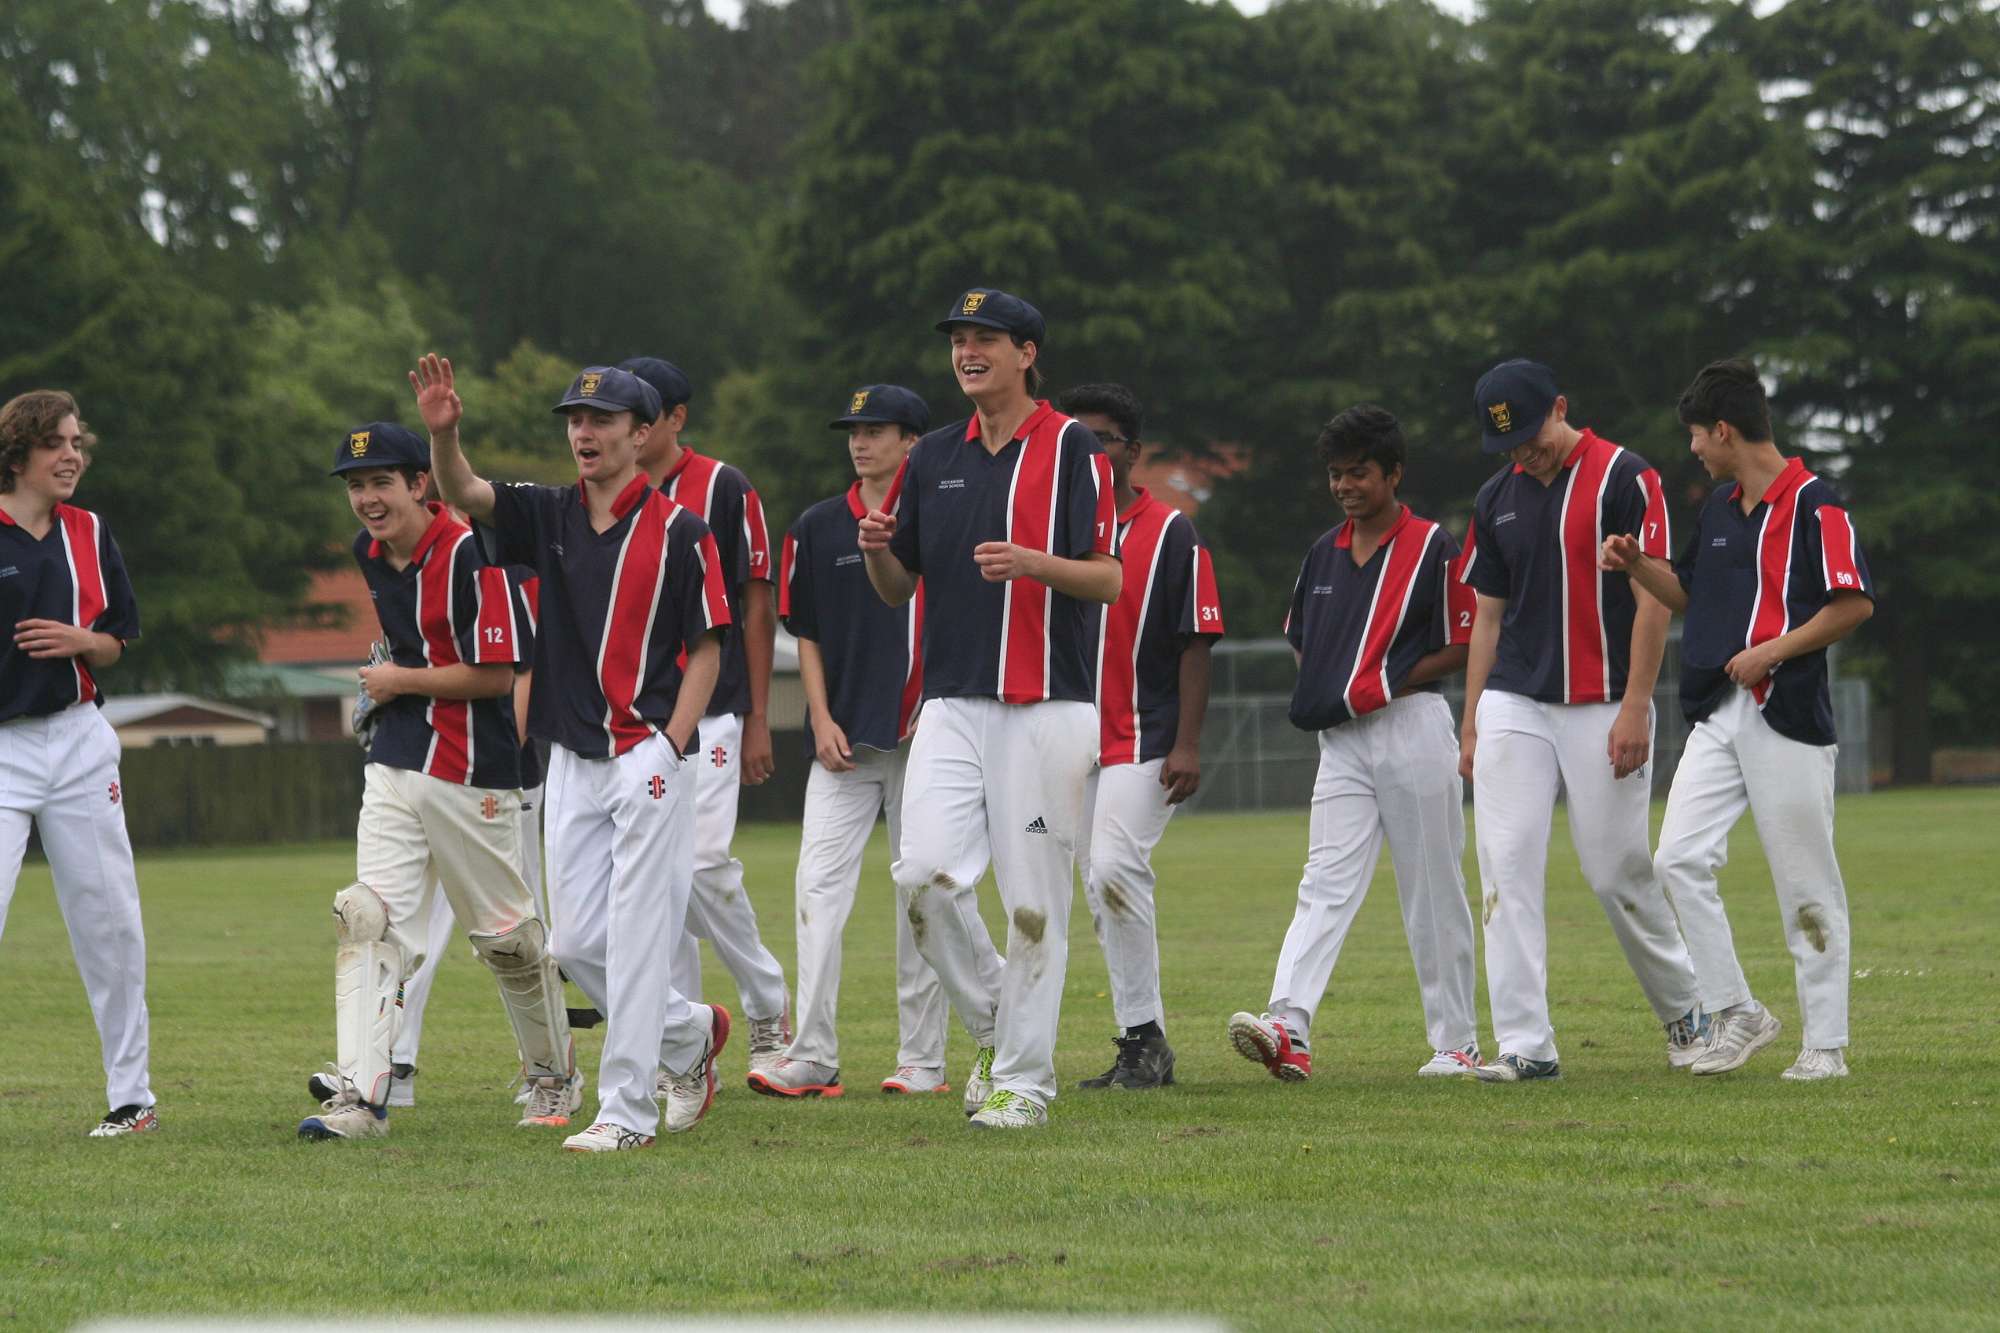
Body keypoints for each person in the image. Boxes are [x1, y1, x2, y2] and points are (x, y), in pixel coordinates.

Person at [415, 356, 732, 1151]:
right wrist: (443, 434)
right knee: (578, 944)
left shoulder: (683, 532)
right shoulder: (548, 511)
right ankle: (689, 1033)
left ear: (642, 432)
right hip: (573, 758)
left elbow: (708, 647)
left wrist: (672, 745)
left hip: (648, 753)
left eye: (601, 421)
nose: (583, 433)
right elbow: (464, 492)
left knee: (637, 936)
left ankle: (626, 1113)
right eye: (575, 420)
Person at [859, 287, 1120, 1129]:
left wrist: (1033, 563)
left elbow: (1109, 578)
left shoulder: (1073, 448)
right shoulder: (933, 454)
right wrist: (876, 550)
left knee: (1033, 904)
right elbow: (897, 586)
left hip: (1048, 707)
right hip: (951, 704)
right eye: (958, 340)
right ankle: (998, 1026)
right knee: (922, 876)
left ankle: (1023, 1085)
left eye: (986, 339)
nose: (967, 351)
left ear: (1027, 353)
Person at [298, 423, 576, 1141]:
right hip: (396, 755)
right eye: (355, 486)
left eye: (381, 482)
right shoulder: (368, 551)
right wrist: (393, 690)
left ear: (420, 483)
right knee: (367, 916)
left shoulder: (475, 554)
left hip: (472, 766)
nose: (367, 499)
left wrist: (398, 680)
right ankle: (362, 1097)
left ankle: (553, 1074)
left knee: (507, 939)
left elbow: (497, 674)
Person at [1602, 358, 1873, 1081]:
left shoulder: (1818, 503)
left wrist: (1771, 651)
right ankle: (1738, 1011)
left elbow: (1854, 603)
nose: (1693, 448)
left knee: (1806, 881)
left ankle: (1826, 1045)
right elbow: (1688, 593)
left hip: (1788, 715)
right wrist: (1636, 563)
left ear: (1723, 430)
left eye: (1696, 434)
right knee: (1677, 858)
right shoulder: (1720, 508)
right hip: (1718, 713)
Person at [1457, 359, 1707, 1082]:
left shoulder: (1628, 477)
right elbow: (1488, 618)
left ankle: (1687, 1013)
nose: (1523, 454)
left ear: (1561, 408)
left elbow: (1656, 598)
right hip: (1515, 700)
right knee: (1504, 866)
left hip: (1605, 699)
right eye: (1508, 444)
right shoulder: (1495, 496)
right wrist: (1471, 721)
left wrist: (1636, 706)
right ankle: (1526, 1045)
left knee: (1614, 870)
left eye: (1532, 436)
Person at [1226, 405, 1480, 1082]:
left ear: (1393, 473)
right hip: (1340, 737)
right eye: (1336, 474)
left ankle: (1457, 1041)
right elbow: (1301, 635)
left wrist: (1384, 680)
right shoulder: (1324, 551)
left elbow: (1464, 641)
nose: (1344, 485)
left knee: (1432, 884)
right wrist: (1339, 685)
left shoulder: (1432, 546)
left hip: (1412, 722)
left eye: (1359, 472)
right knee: (1324, 880)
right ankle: (1288, 1026)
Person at [749, 384, 969, 1099]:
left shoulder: (943, 517)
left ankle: (922, 1060)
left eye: (876, 429)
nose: (860, 441)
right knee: (816, 890)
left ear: (913, 442)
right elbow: (806, 632)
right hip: (842, 741)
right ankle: (811, 1054)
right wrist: (818, 716)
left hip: (925, 739)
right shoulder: (816, 527)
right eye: (853, 429)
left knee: (919, 893)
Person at [618, 357, 792, 1083]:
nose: (631, 430)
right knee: (658, 878)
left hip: (716, 708)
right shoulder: (604, 497)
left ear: (675, 418)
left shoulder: (724, 487)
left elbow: (756, 604)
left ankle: (767, 1004)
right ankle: (687, 1044)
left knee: (701, 864)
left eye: (644, 416)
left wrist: (756, 717)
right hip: (637, 720)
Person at [1054, 383, 1224, 1091]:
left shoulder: (1172, 531)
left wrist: (1188, 742)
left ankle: (1146, 1039)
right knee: (1090, 884)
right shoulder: (1052, 529)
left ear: (1133, 451)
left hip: (1145, 737)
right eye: (1077, 440)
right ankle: (1139, 1040)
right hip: (1066, 741)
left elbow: (1195, 641)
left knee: (1114, 868)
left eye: (1103, 439)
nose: (1090, 453)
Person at [0, 390, 156, 1137]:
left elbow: (118, 639)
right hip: (3, 749)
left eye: (76, 442)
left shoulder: (90, 531)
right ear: (17, 454)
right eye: (56, 443)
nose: (72, 455)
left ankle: (133, 1099)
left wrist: (81, 641)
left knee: (110, 925)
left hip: (79, 741)